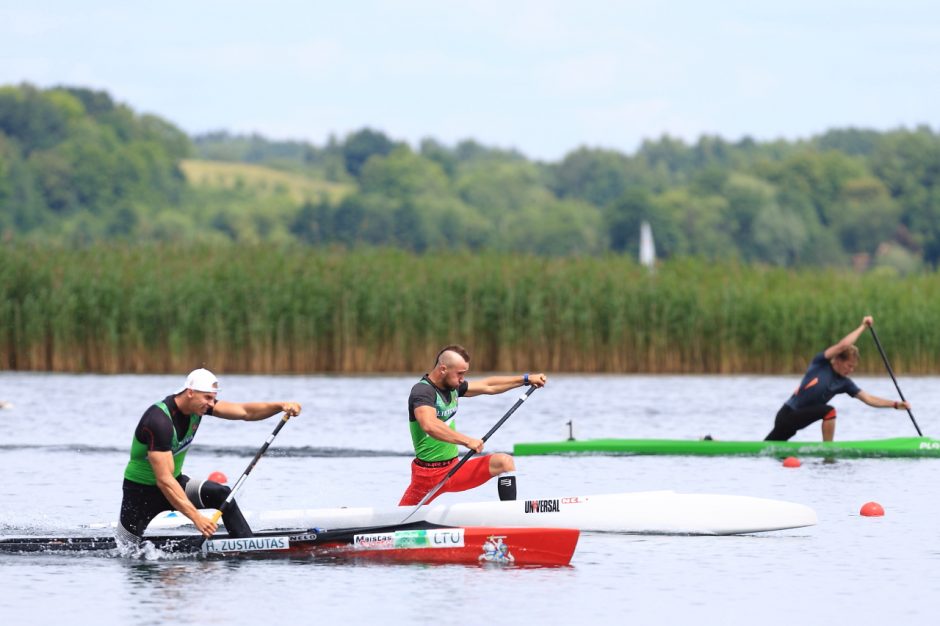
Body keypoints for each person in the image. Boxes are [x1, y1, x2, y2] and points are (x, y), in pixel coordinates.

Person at [117, 368, 302, 547]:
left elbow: (246, 412)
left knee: (222, 494)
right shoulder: (159, 421)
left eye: (213, 398)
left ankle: (248, 545)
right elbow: (164, 480)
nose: (211, 404)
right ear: (190, 392)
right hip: (140, 494)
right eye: (207, 397)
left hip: (176, 484)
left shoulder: (199, 407)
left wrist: (280, 406)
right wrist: (196, 518)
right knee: (126, 549)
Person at [399, 344, 547, 506]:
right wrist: (467, 441)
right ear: (443, 369)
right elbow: (429, 425)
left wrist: (526, 379)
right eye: (460, 374)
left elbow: (488, 386)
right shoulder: (422, 391)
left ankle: (510, 513)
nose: (462, 379)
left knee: (504, 462)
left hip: (454, 469)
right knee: (397, 521)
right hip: (427, 476)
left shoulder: (453, 387)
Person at [765, 316, 911, 441]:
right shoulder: (820, 363)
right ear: (838, 360)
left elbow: (869, 399)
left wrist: (895, 404)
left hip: (796, 423)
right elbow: (843, 346)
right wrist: (863, 327)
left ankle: (827, 450)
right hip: (787, 415)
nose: (851, 370)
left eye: (854, 367)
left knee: (768, 448)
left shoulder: (844, 383)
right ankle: (828, 450)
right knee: (829, 411)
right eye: (849, 365)